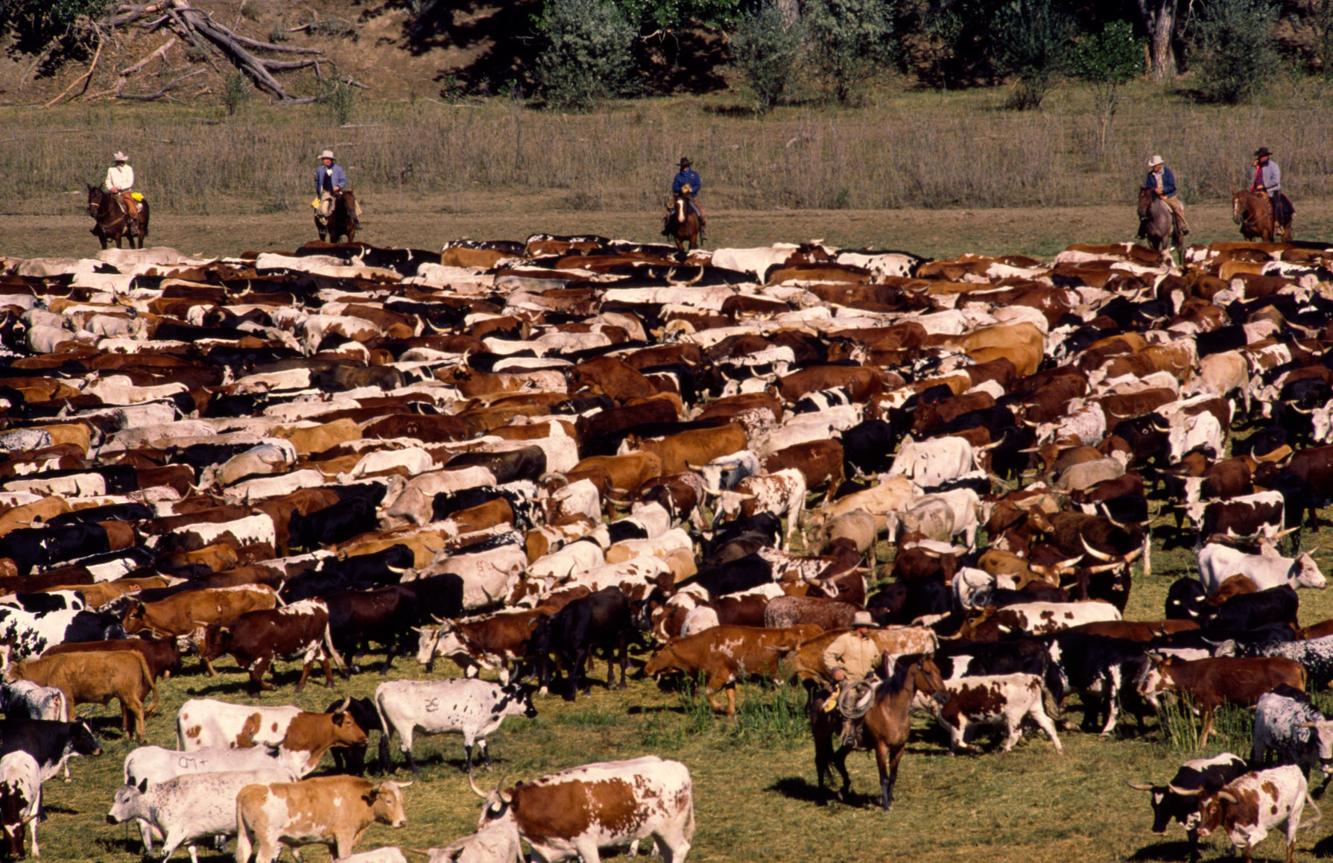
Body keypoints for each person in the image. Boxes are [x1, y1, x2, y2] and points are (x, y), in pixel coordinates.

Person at [821, 611, 884, 747]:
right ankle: (848, 733)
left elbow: (875, 662)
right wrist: (836, 669)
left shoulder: (870, 643)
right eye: (866, 626)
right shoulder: (845, 640)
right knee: (850, 697)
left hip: (867, 679)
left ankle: (874, 731)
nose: (869, 629)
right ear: (859, 627)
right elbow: (828, 654)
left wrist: (881, 657)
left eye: (869, 626)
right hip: (849, 679)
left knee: (882, 695)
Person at [1144, 155, 1189, 235]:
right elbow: (1148, 187)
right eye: (1153, 166)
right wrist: (1154, 190)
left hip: (1169, 196)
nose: (1153, 167)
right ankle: (1142, 231)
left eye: (1154, 166)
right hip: (1155, 198)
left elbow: (1172, 186)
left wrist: (1163, 190)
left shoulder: (1167, 172)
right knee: (1144, 211)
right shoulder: (1150, 175)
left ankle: (1181, 226)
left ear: (1159, 165)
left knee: (1177, 207)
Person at [1250, 146, 1292, 228]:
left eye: (1261, 156)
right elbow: (1250, 178)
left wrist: (1264, 185)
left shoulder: (1273, 166)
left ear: (1267, 156)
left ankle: (1279, 224)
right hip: (1256, 191)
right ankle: (1248, 225)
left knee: (1277, 204)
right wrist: (1253, 167)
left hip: (1271, 190)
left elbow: (1276, 180)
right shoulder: (1257, 167)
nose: (1260, 158)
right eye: (1259, 156)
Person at [104, 151, 141, 230]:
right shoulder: (111, 170)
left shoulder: (129, 169)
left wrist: (120, 187)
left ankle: (133, 224)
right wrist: (111, 188)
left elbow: (130, 181)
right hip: (113, 192)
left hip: (125, 192)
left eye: (121, 161)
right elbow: (108, 181)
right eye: (118, 162)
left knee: (131, 207)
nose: (120, 163)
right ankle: (101, 225)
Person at [314, 149, 349, 221]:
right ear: (322, 160)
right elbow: (317, 182)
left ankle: (355, 221)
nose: (328, 160)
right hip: (324, 193)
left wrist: (338, 186)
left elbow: (343, 180)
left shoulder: (338, 169)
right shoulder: (319, 170)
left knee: (351, 202)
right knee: (319, 208)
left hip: (337, 192)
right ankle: (323, 223)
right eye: (326, 159)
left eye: (330, 159)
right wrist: (319, 192)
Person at [670, 156, 705, 227]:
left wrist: (692, 189)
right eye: (683, 166)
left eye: (686, 166)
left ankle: (702, 229)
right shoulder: (678, 176)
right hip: (681, 197)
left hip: (692, 197)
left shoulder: (694, 174)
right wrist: (681, 189)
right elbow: (674, 187)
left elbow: (698, 184)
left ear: (688, 166)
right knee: (671, 212)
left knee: (699, 212)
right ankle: (669, 227)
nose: (685, 167)